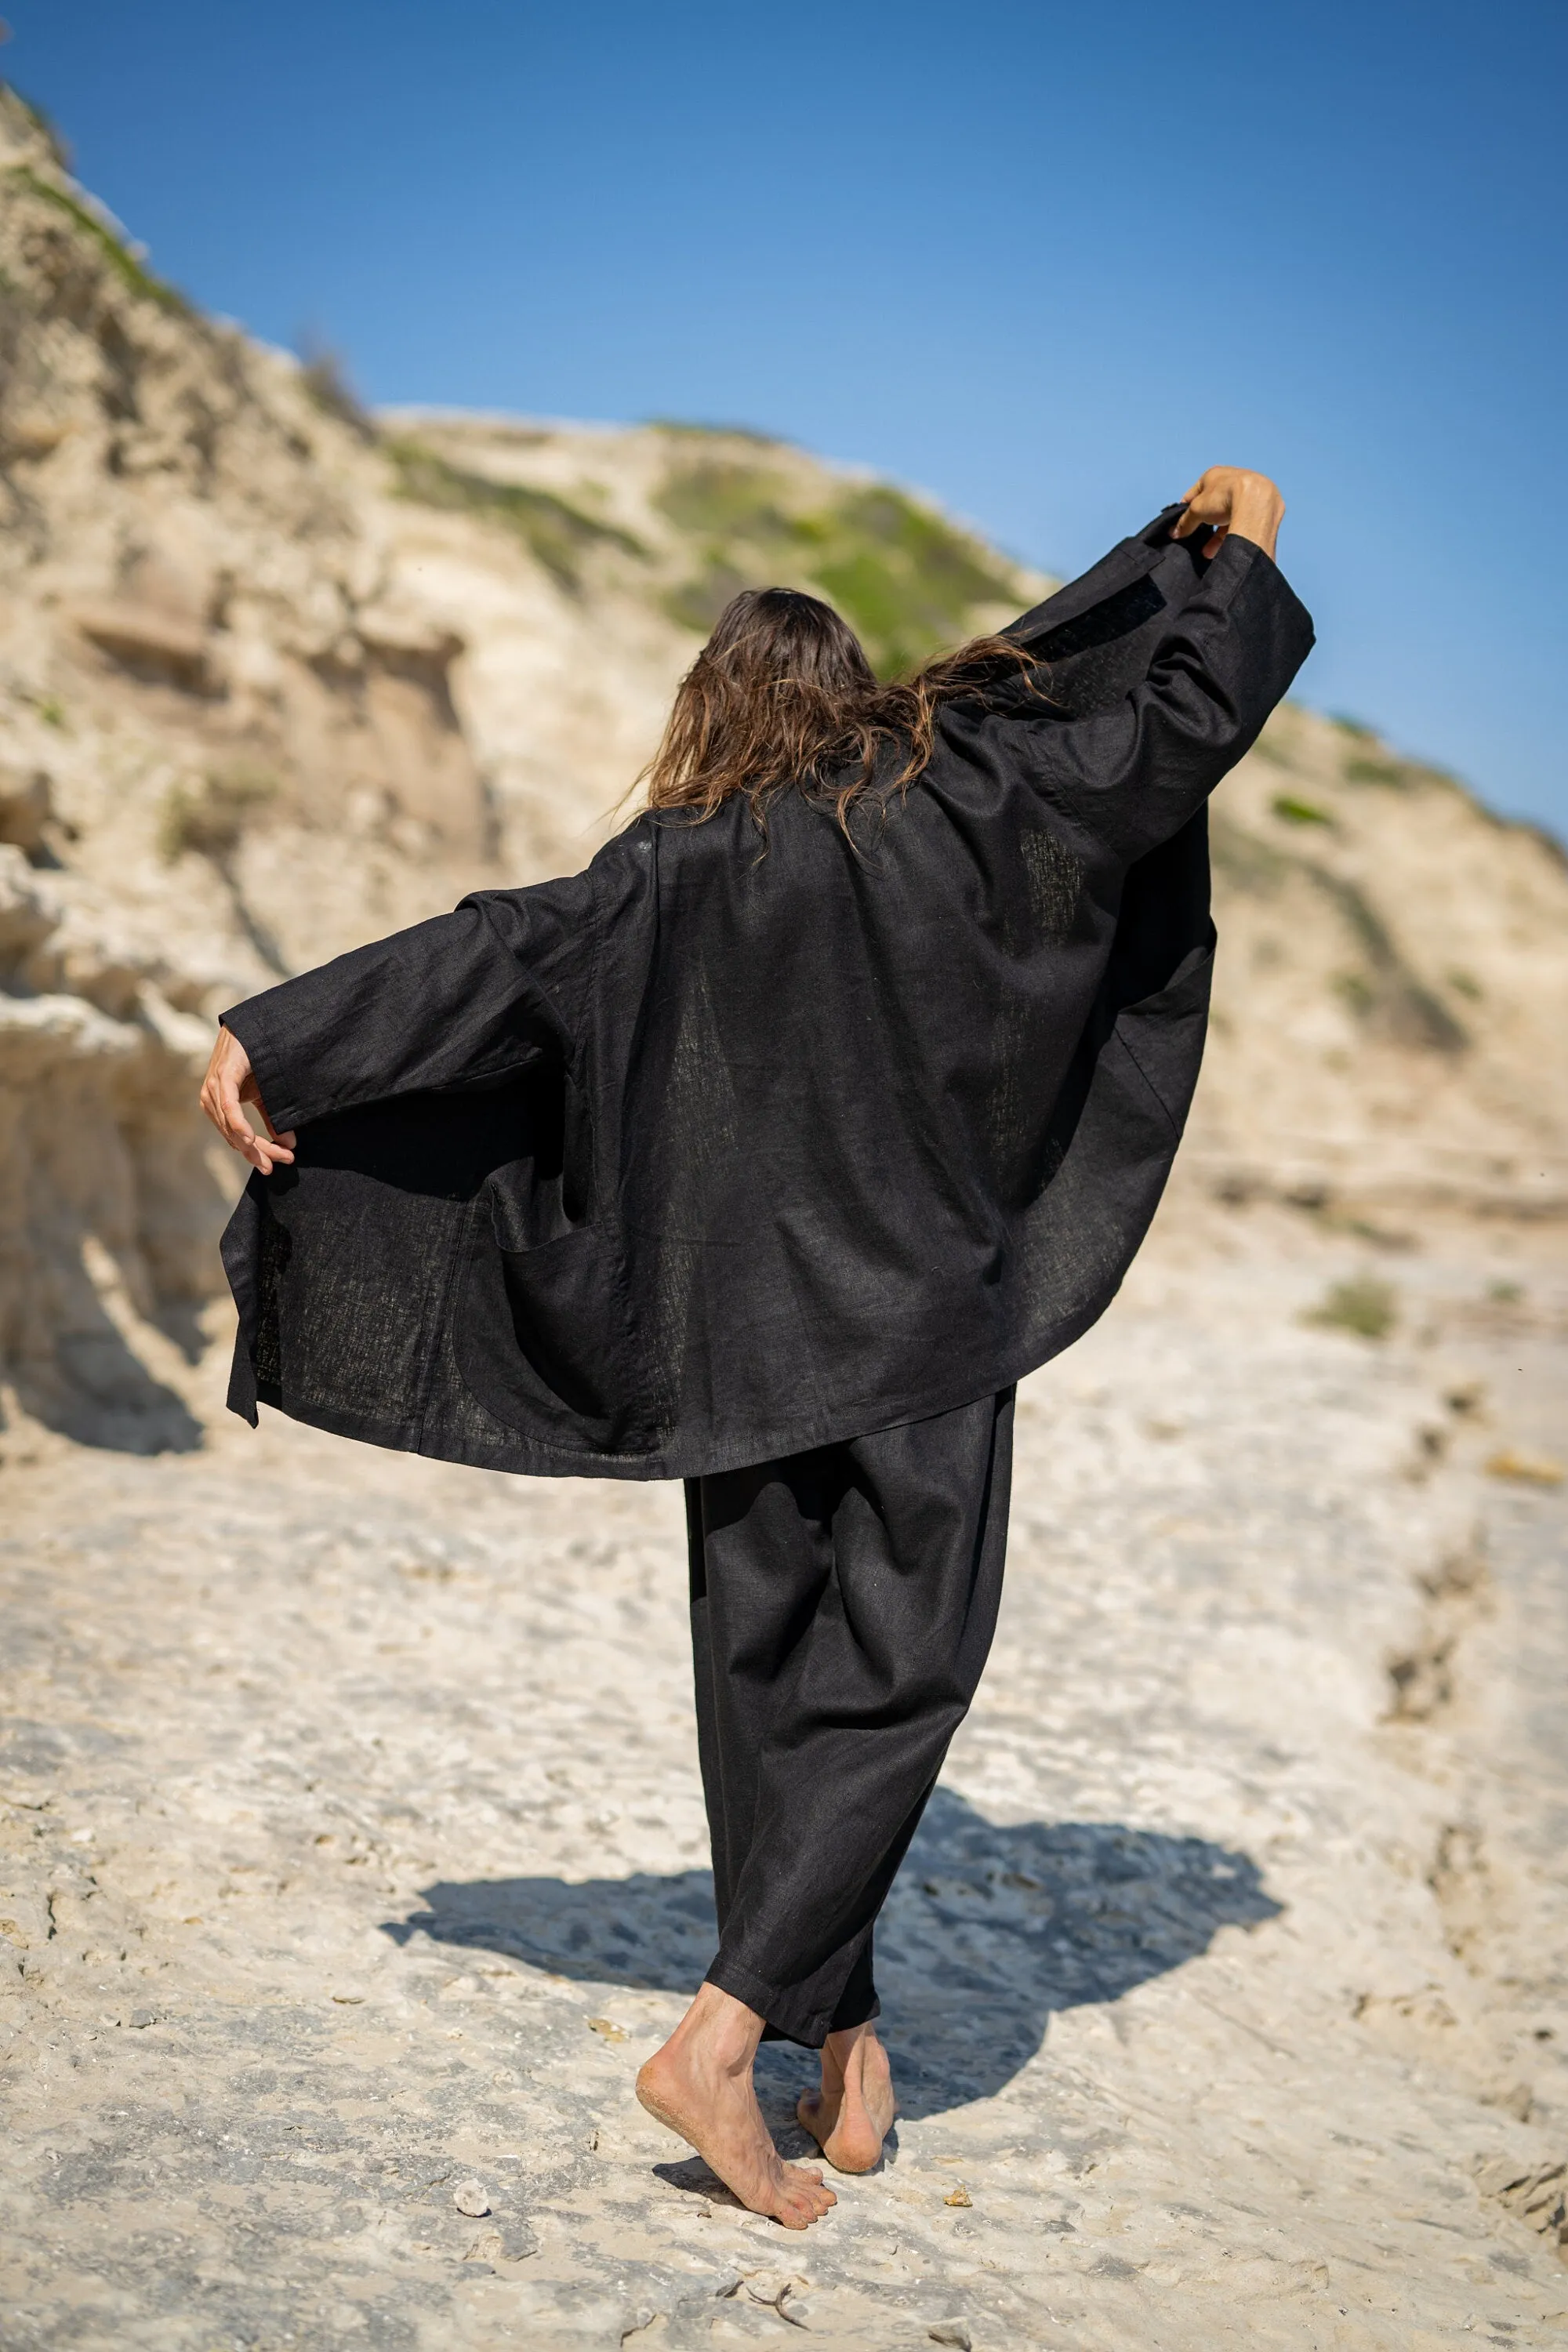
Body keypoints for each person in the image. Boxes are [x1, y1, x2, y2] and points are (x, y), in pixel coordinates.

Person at [201, 466, 1310, 2230]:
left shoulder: (662, 876)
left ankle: (841, 2035)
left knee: (773, 1684)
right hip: (918, 1326)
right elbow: (1170, 733)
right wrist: (1235, 553)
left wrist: (280, 1036)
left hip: (731, 1350)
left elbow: (494, 950)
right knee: (897, 1677)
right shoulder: (963, 798)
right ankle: (720, 2037)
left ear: (707, 714)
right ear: (853, 694)